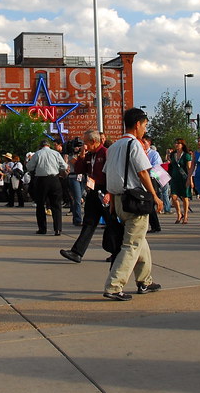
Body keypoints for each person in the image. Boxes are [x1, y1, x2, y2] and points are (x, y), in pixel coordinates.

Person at [103, 108, 163, 300]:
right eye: (144, 125)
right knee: (131, 244)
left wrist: (112, 199)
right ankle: (114, 286)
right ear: (137, 124)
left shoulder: (113, 147)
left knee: (139, 239)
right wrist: (155, 196)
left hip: (120, 200)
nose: (145, 129)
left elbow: (109, 175)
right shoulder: (134, 145)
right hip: (134, 200)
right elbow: (144, 172)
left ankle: (144, 280)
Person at [59, 129, 115, 262]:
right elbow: (79, 170)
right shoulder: (90, 155)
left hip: (105, 190)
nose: (84, 145)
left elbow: (112, 174)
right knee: (89, 222)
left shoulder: (105, 153)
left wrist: (109, 193)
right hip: (93, 190)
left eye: (86, 143)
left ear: (93, 141)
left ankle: (117, 251)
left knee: (111, 223)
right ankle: (77, 252)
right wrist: (82, 156)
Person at [27, 139, 68, 235]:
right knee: (56, 205)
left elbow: (30, 167)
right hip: (54, 179)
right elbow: (64, 166)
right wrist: (58, 169)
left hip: (41, 180)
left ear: (40, 146)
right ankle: (57, 229)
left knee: (40, 205)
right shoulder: (56, 153)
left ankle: (42, 228)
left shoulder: (37, 154)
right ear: (49, 145)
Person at [168, 139, 192, 224]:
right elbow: (171, 165)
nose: (176, 145)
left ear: (182, 145)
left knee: (185, 197)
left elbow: (189, 168)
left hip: (184, 177)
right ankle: (179, 214)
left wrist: (190, 180)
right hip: (174, 178)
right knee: (174, 196)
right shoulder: (173, 154)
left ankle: (185, 216)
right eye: (175, 143)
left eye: (178, 143)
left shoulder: (186, 155)